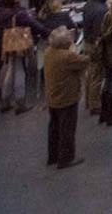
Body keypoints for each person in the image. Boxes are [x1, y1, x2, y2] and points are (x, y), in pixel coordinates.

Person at [43, 28, 89, 169]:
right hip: (67, 97)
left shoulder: (48, 52)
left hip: (53, 96)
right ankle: (66, 158)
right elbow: (84, 61)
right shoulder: (67, 56)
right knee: (67, 129)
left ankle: (53, 156)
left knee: (54, 128)